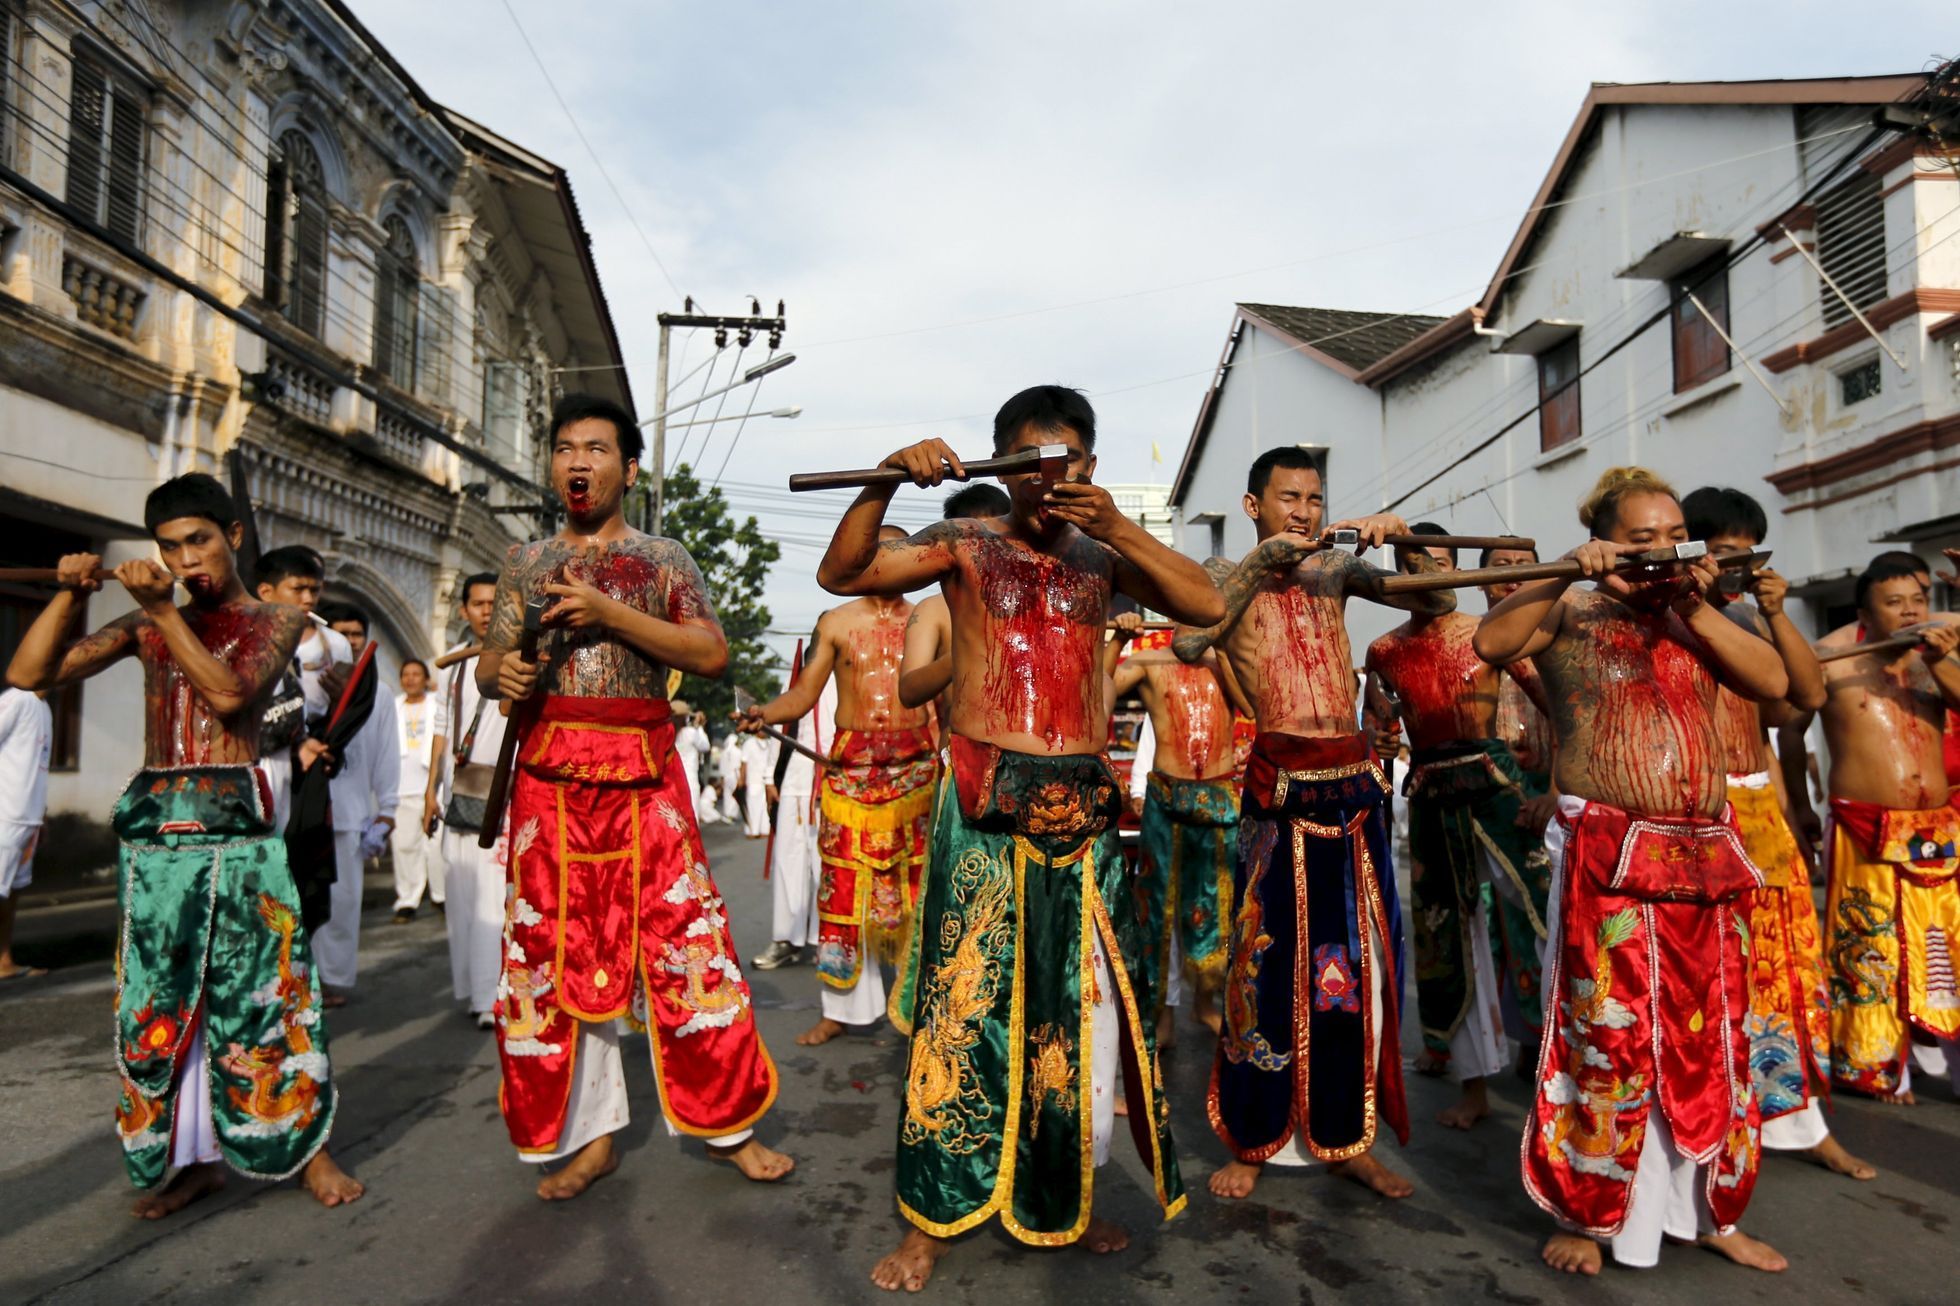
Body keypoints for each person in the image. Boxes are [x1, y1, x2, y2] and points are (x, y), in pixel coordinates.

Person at [818, 387, 1220, 1291]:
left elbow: (1204, 604)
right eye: (1032, 462)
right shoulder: (966, 543)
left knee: (1083, 1019)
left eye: (1067, 461)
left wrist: (1120, 526)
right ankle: (930, 1220)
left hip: (1084, 818)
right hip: (982, 813)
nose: (1050, 480)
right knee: (960, 1014)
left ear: (1090, 466)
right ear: (1002, 467)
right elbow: (845, 575)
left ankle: (1067, 1197)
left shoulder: (1103, 557)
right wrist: (886, 480)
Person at [4, 473, 362, 1216]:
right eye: (169, 548)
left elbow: (229, 694)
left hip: (240, 841)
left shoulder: (275, 619)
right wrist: (69, 594)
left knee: (266, 995)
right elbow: (29, 674)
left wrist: (163, 611)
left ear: (233, 537)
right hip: (157, 847)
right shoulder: (145, 623)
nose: (185, 560)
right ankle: (190, 1158)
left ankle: (309, 1151)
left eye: (198, 541)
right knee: (160, 1007)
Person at [1474, 466, 1791, 1276]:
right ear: (1604, 539)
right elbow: (1492, 644)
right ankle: (1585, 1212)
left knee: (1716, 1036)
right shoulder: (1572, 608)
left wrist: (1691, 604)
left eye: (1673, 535)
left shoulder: (1699, 614)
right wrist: (1563, 572)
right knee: (1605, 1034)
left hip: (1706, 854)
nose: (1662, 549)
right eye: (1641, 537)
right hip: (1609, 854)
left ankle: (1712, 1212)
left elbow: (1775, 683)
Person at [479, 393, 789, 1200]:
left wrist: (609, 612)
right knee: (552, 949)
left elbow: (711, 654)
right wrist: (503, 675)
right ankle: (590, 1138)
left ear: (629, 467)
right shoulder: (524, 561)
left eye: (595, 448)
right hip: (548, 780)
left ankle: (727, 1128)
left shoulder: (664, 559)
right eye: (564, 448)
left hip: (645, 776)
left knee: (687, 939)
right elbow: (489, 661)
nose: (577, 462)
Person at [1172, 447, 1446, 1203]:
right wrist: (1263, 564)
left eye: (1315, 499)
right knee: (1263, 964)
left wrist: (1405, 542)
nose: (1304, 511)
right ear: (1253, 505)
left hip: (1352, 785)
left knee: (1353, 968)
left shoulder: (1335, 568)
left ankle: (1348, 1139)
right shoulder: (1224, 573)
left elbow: (1434, 602)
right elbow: (1190, 641)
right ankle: (1253, 1139)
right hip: (1279, 791)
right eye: (1289, 497)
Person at [1681, 487, 1876, 1180]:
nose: (1735, 564)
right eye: (1721, 551)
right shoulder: (1668, 618)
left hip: (1760, 810)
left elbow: (1802, 701)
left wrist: (1774, 610)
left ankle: (1802, 1121)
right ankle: (1717, 1125)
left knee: (1790, 973)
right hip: (1698, 813)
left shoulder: (1752, 621)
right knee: (1713, 978)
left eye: (1746, 552)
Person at [1362, 523, 1553, 1133]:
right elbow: (1376, 729)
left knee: (1544, 917)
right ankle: (1473, 1086)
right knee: (1447, 938)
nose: (1430, 572)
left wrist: (1554, 792)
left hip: (1495, 785)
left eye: (1442, 561)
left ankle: (1561, 1066)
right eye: (1417, 563)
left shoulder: (1486, 632)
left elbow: (1560, 706)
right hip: (1428, 791)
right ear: (1400, 574)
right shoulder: (1383, 651)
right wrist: (1378, 741)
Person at [745, 527, 938, 1045]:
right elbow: (803, 694)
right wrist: (765, 713)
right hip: (850, 779)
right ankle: (841, 1010)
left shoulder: (931, 619)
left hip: (918, 777)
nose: (891, 564)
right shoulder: (835, 621)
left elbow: (944, 703)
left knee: (919, 898)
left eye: (901, 555)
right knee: (842, 897)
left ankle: (921, 1011)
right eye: (880, 554)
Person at [1812, 552, 1960, 1103]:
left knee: (1946, 949)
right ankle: (1877, 1068)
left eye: (1918, 600)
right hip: (1863, 823)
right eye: (1894, 602)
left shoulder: (1938, 656)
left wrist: (1940, 661)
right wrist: (1797, 805)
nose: (1910, 611)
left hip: (1938, 828)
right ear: (1864, 613)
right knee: (1870, 945)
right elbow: (1786, 725)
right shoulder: (1831, 658)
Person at [1106, 608, 1243, 1036]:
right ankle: (1160, 1015)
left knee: (1216, 909)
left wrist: (1223, 646)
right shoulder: (1150, 660)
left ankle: (1205, 1002)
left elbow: (1251, 704)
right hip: (1165, 803)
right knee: (1156, 914)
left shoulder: (1225, 662)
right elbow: (1099, 695)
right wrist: (1117, 640)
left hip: (1218, 802)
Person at [311, 602, 399, 1004]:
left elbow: (387, 754)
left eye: (356, 634)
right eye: (341, 634)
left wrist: (387, 811)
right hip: (304, 811)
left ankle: (332, 981)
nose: (349, 641)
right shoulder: (305, 683)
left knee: (342, 904)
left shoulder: (379, 693)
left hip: (350, 814)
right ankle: (298, 982)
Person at [425, 572, 502, 1028]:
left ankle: (493, 997)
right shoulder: (453, 667)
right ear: (464, 610)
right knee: (462, 897)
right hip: (459, 793)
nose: (487, 611)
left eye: (495, 602)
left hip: (503, 798)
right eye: (478, 604)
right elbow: (440, 730)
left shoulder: (517, 660)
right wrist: (430, 792)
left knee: (494, 899)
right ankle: (475, 990)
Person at [896, 483, 1013, 739]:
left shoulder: (1038, 597)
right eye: (976, 536)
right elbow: (909, 691)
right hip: (964, 748)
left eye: (997, 533)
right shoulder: (934, 609)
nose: (989, 545)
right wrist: (967, 651)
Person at [753, 662, 838, 973]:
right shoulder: (797, 679)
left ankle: (827, 940)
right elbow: (780, 728)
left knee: (827, 865)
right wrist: (768, 777)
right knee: (788, 862)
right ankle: (786, 939)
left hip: (833, 781)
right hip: (795, 780)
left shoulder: (849, 675)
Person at [0, 686, 53, 980]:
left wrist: (41, 815)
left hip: (28, 819)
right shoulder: (16, 699)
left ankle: (3, 961)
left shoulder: (44, 707)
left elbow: (38, 766)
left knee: (12, 894)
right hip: (5, 815)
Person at [390, 658, 441, 922]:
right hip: (402, 784)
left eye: (416, 674)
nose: (410, 679)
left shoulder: (436, 704)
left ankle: (440, 895)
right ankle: (407, 899)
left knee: (436, 845)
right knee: (404, 845)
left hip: (432, 784)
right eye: (406, 674)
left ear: (426, 679)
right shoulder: (393, 707)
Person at [740, 729, 777, 839]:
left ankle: (764, 830)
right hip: (753, 780)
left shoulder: (770, 743)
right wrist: (741, 779)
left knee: (765, 807)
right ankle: (752, 831)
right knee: (752, 807)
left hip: (766, 780)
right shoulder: (749, 743)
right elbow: (744, 763)